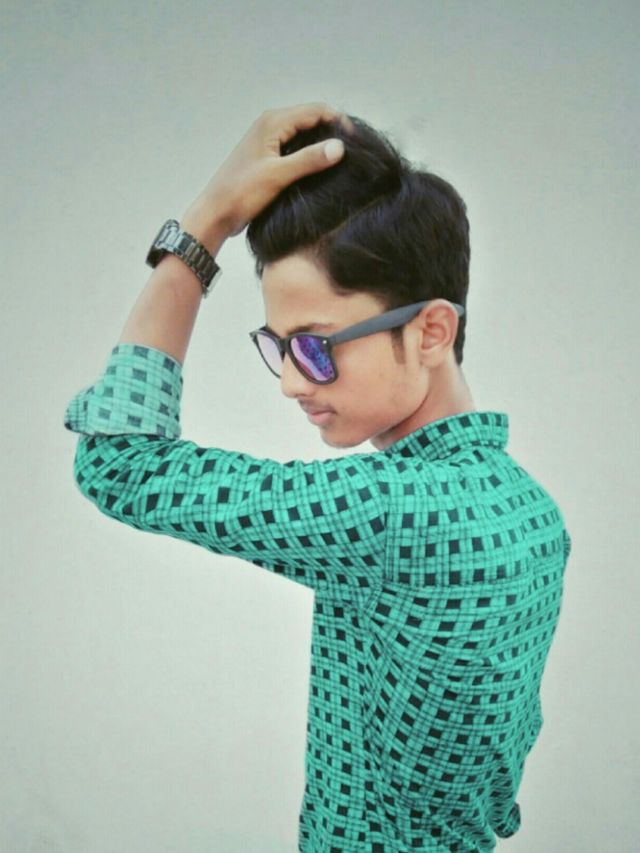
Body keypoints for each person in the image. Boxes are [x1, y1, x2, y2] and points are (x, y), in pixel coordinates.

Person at [63, 102, 572, 852]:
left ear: (432, 330)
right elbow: (501, 779)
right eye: (279, 348)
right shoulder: (534, 513)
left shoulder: (390, 509)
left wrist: (207, 223)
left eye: (316, 347)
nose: (291, 383)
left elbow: (119, 463)